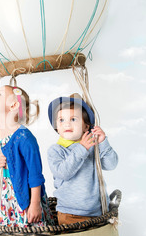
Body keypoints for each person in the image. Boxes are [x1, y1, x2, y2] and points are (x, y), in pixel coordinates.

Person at [0, 84, 53, 227]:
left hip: (26, 199)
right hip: (5, 200)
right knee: (10, 235)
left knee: (31, 231)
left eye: (0, 94)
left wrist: (34, 204)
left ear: (14, 105)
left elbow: (35, 175)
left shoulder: (24, 137)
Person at [47, 93, 118, 225]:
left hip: (97, 211)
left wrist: (103, 142)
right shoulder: (56, 150)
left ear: (86, 127)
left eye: (73, 119)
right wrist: (81, 149)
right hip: (70, 213)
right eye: (61, 120)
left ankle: (111, 205)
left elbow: (111, 164)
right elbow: (64, 173)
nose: (67, 124)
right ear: (56, 126)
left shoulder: (92, 146)